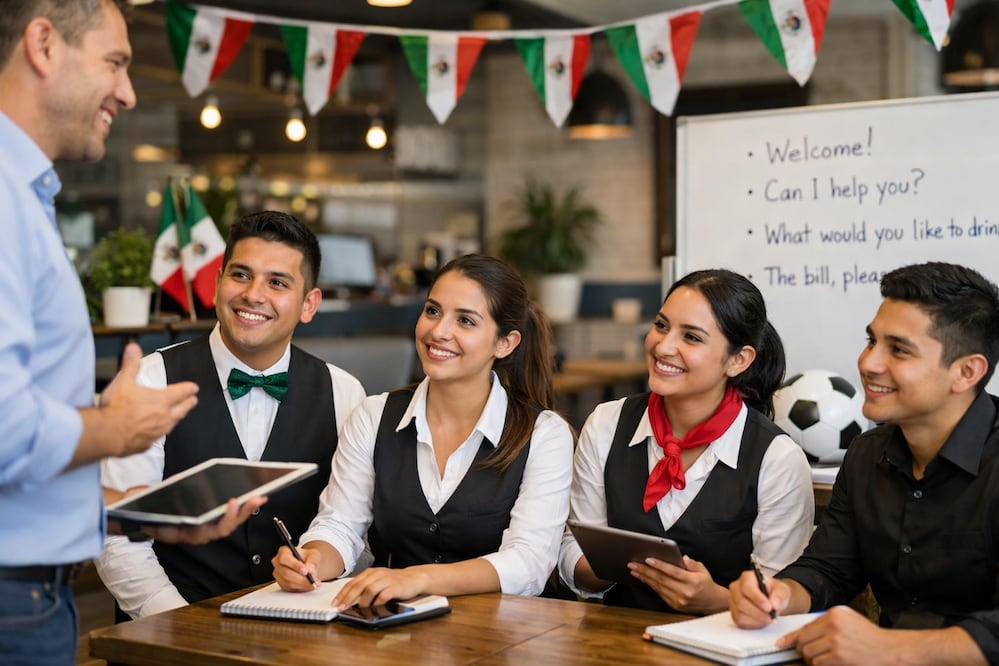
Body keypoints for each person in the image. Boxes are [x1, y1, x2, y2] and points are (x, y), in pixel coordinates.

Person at [0, 2, 258, 663]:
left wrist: (138, 516)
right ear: (43, 44)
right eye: (114, 62)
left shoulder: (25, 195)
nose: (128, 91)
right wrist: (114, 429)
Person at [98, 211, 367, 618]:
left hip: (299, 637)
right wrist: (180, 630)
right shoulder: (152, 379)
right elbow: (118, 539)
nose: (253, 295)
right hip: (166, 632)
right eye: (241, 275)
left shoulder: (343, 392)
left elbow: (352, 527)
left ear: (309, 304)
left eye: (277, 282)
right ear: (218, 282)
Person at [729, 262, 999, 665]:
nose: (869, 363)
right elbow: (829, 570)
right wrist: (780, 594)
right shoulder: (866, 453)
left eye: (899, 350)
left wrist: (891, 649)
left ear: (966, 372)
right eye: (871, 341)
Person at [272, 253, 574, 606]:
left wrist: (416, 578)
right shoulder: (373, 415)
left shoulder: (545, 434)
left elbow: (529, 563)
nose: (439, 331)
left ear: (505, 343)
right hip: (397, 636)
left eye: (465, 321)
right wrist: (312, 559)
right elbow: (340, 525)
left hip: (506, 641)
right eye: (432, 311)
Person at [559, 268, 814, 614]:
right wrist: (612, 565)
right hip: (611, 638)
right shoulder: (606, 424)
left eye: (691, 337)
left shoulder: (777, 459)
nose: (663, 347)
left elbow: (780, 604)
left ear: (738, 360)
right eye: (661, 326)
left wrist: (715, 601)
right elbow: (572, 551)